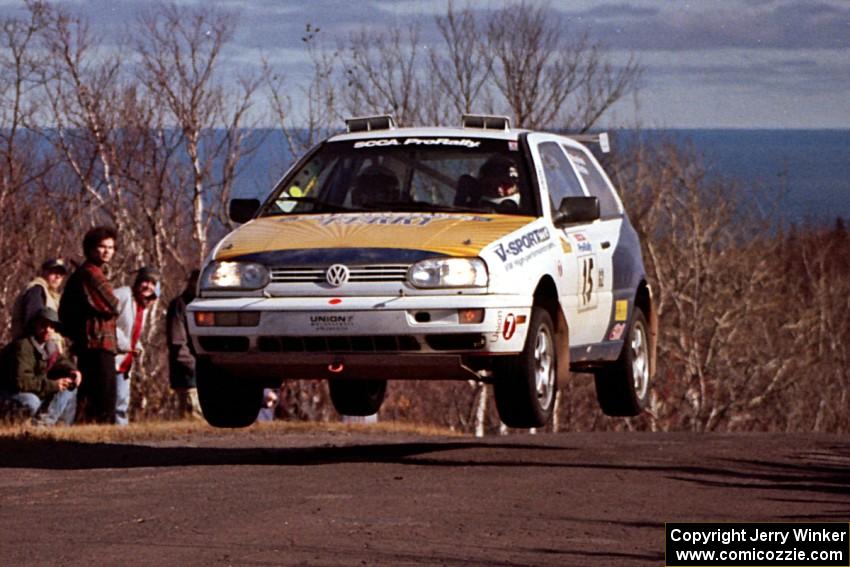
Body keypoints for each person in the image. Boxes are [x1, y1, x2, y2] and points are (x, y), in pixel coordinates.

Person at [59, 226, 120, 424]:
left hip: (92, 342)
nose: (107, 251)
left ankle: (89, 434)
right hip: (97, 342)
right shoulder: (90, 274)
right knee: (104, 395)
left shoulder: (90, 273)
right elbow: (111, 304)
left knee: (92, 394)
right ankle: (101, 436)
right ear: (91, 248)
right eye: (102, 246)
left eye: (111, 247)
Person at [0, 308, 82, 425]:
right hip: (7, 391)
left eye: (52, 326)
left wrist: (73, 371)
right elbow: (22, 382)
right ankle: (20, 424)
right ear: (35, 325)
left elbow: (60, 361)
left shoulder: (49, 346)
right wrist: (53, 385)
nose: (48, 330)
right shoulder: (23, 346)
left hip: (31, 389)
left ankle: (50, 425)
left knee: (70, 388)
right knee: (32, 402)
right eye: (43, 325)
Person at [113, 267, 160, 426]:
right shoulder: (124, 295)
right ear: (138, 282)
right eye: (145, 281)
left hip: (125, 361)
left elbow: (132, 331)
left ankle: (120, 434)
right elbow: (108, 322)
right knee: (114, 401)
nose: (148, 286)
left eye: (153, 283)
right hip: (111, 357)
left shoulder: (143, 306)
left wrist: (137, 345)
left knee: (122, 401)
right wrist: (125, 344)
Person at [166, 270, 203, 420]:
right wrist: (194, 366)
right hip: (188, 374)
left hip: (205, 372)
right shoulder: (179, 305)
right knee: (193, 416)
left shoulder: (205, 304)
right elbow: (178, 342)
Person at [10, 258, 69, 342]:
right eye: (54, 272)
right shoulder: (36, 290)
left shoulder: (51, 295)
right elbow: (32, 323)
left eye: (60, 274)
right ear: (44, 272)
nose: (57, 276)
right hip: (33, 348)